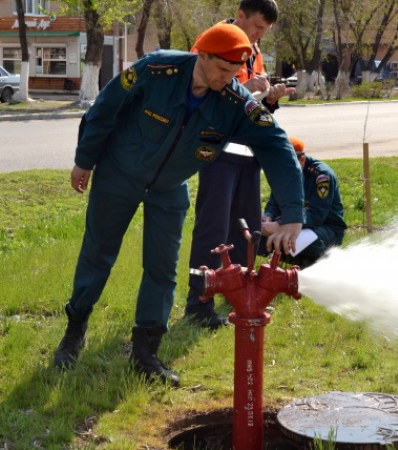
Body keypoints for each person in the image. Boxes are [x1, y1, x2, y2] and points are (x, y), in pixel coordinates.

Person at [52, 23, 305, 387]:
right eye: (221, 70)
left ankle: (146, 353)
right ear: (201, 54)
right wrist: (84, 160)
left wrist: (293, 214)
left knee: (163, 267)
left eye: (234, 73)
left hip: (170, 186)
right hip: (119, 174)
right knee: (98, 254)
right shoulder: (157, 70)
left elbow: (277, 145)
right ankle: (74, 331)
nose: (227, 80)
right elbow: (105, 108)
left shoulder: (234, 102)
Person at [185, 0, 294, 330]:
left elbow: (251, 110)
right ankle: (198, 301)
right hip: (219, 152)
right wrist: (244, 89)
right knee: (212, 229)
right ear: (241, 15)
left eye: (265, 31)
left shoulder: (254, 50)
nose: (259, 35)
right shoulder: (212, 42)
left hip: (249, 154)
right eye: (257, 26)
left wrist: (270, 98)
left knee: (246, 230)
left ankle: (234, 292)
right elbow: (198, 97)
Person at [259, 137, 346, 268]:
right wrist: (267, 216)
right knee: (255, 238)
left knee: (289, 240)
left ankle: (313, 264)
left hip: (325, 228)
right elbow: (274, 203)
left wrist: (280, 225)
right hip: (293, 224)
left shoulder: (322, 177)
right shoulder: (283, 173)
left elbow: (316, 216)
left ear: (302, 160)